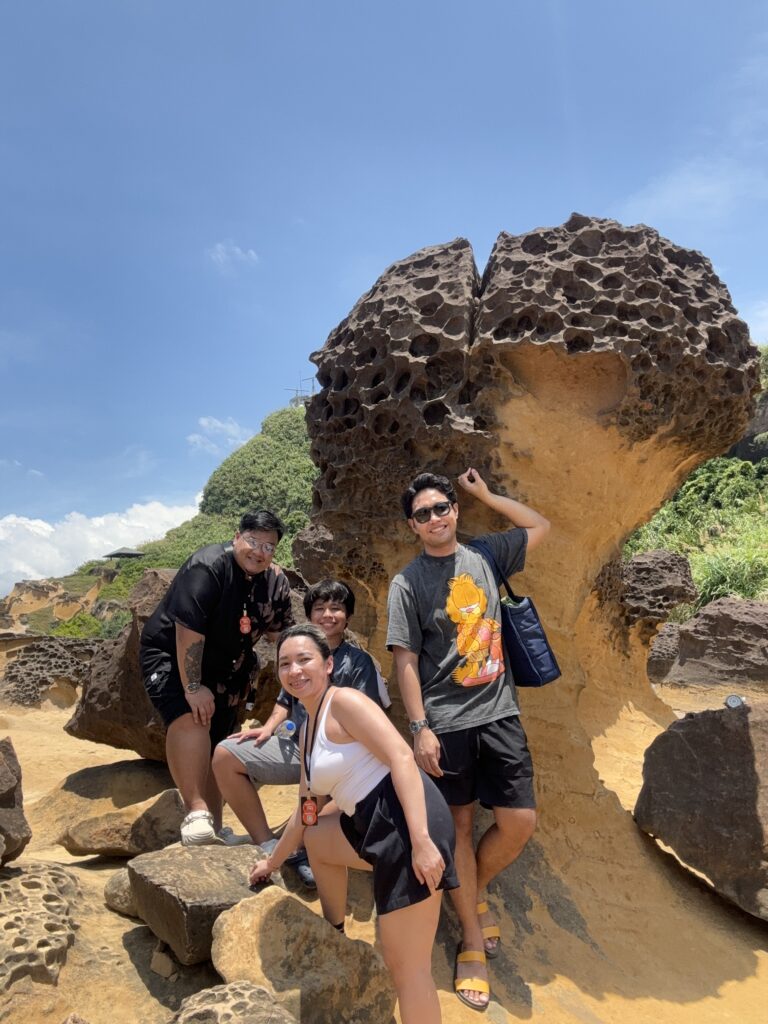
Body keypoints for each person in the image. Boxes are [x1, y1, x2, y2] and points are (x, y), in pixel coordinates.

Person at [386, 468, 550, 1011]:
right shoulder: (408, 583)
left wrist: (485, 495)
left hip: (500, 712)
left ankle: (473, 895)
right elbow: (405, 661)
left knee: (518, 821)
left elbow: (539, 525)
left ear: (454, 510)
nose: (434, 519)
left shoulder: (487, 555)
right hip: (446, 721)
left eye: (442, 508)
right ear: (412, 526)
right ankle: (472, 940)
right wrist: (419, 728)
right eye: (423, 514)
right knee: (457, 823)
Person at [248, 624, 458, 1024]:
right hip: (370, 821)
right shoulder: (308, 730)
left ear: (328, 664)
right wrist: (270, 864)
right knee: (318, 836)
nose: (295, 670)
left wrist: (422, 841)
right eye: (285, 664)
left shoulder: (344, 701)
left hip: (406, 821)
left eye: (304, 659)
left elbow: (400, 756)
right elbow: (305, 813)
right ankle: (336, 932)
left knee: (406, 967)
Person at [212, 578, 388, 884]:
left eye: (336, 608)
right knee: (225, 755)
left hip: (337, 754)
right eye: (320, 608)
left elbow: (369, 718)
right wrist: (266, 728)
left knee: (312, 796)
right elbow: (285, 700)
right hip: (296, 746)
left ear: (348, 615)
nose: (328, 615)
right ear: (309, 615)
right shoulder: (297, 652)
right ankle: (270, 843)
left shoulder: (359, 663)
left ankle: (307, 848)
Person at [140, 510, 294, 846]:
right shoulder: (208, 566)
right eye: (253, 541)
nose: (259, 552)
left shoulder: (274, 581)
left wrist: (308, 664)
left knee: (221, 738)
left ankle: (216, 826)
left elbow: (280, 635)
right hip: (171, 653)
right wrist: (193, 688)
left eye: (269, 547)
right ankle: (196, 812)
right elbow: (187, 632)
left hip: (229, 667)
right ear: (237, 536)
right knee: (192, 717)